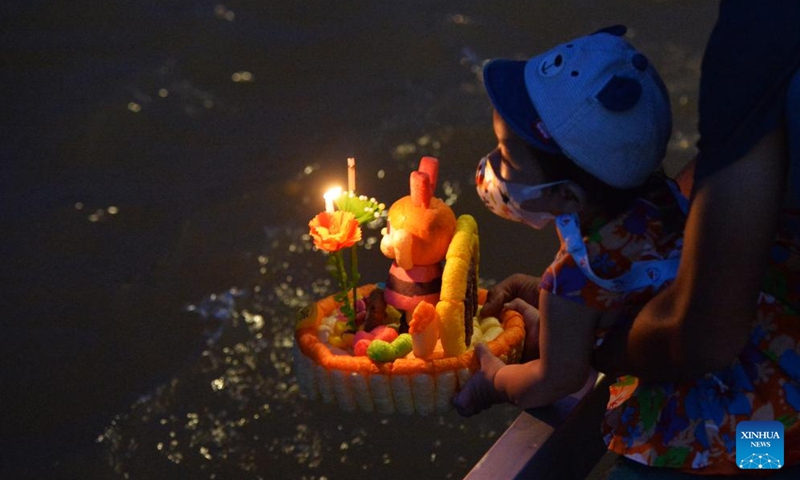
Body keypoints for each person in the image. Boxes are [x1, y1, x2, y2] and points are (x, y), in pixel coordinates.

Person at [453, 19, 800, 476]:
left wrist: (495, 381)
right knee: (768, 463)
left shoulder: (570, 279)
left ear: (568, 198)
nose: (493, 167)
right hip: (779, 399)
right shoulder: (666, 201)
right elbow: (629, 291)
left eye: (505, 156)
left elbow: (557, 377)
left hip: (717, 433)